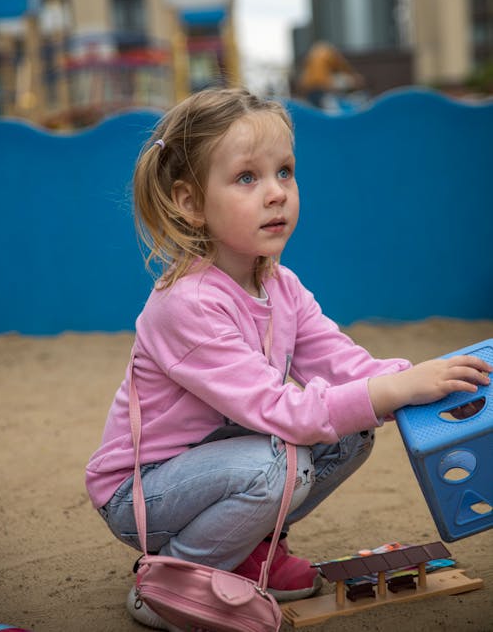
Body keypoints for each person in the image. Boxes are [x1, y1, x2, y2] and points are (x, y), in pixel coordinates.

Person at [85, 88, 490, 631]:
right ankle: (169, 579)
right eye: (247, 178)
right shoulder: (187, 303)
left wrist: (418, 383)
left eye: (285, 172)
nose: (276, 193)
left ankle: (248, 548)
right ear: (189, 201)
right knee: (282, 461)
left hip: (218, 463)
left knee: (351, 432)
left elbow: (339, 363)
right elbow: (278, 409)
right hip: (144, 493)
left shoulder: (279, 284)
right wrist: (392, 393)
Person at [298, 41, 365, 109]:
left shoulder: (317, 55)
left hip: (312, 90)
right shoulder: (326, 55)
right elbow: (321, 82)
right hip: (318, 91)